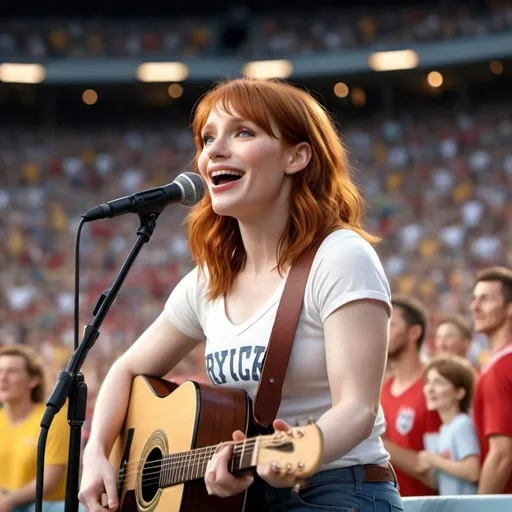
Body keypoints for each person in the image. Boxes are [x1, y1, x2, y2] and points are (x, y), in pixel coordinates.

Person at [78, 77, 402, 512]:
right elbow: (125, 370)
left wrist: (285, 456)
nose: (214, 150)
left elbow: (358, 409)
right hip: (248, 499)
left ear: (297, 156)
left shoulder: (340, 256)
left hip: (339, 490)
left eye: (243, 132)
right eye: (208, 138)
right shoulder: (210, 279)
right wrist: (96, 452)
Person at [381, 296, 442, 497]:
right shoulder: (382, 391)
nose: (382, 331)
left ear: (414, 332)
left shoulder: (436, 387)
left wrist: (376, 442)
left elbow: (436, 473)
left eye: (391, 324)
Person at [0, 345, 69, 512]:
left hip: (45, 505)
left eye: (12, 371)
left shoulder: (53, 418)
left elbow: (49, 481)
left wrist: (9, 500)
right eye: (0, 371)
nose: (3, 378)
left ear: (33, 380)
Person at [470, 266, 512, 494]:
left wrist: (480, 505)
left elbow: (502, 456)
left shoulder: (500, 368)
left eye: (485, 299)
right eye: (474, 298)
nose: (474, 306)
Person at [417, 356, 480, 495]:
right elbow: (441, 482)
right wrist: (425, 472)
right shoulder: (444, 429)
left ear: (459, 393)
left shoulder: (462, 423)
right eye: (428, 382)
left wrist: (433, 459)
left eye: (439, 382)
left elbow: (473, 471)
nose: (430, 389)